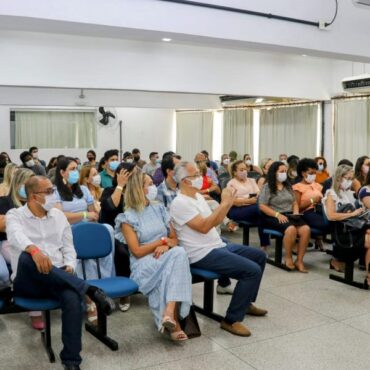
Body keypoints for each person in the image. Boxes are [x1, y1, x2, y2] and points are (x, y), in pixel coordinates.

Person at [6, 176, 115, 370]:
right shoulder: (15, 215)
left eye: (53, 190)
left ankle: (71, 362)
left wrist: (71, 266)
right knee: (27, 257)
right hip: (28, 282)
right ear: (33, 196)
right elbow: (16, 236)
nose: (53, 195)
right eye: (48, 192)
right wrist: (34, 250)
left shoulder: (58, 216)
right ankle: (89, 289)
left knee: (72, 298)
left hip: (58, 278)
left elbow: (68, 248)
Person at [170, 161, 267, 337]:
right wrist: (224, 204)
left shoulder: (197, 196)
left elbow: (215, 220)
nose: (201, 178)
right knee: (251, 271)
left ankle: (245, 303)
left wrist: (227, 204)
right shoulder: (180, 203)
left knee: (259, 256)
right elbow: (205, 226)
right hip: (201, 253)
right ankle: (231, 320)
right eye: (196, 176)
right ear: (185, 180)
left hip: (218, 244)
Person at [115, 171, 192, 341]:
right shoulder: (127, 218)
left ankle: (169, 314)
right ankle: (172, 316)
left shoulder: (159, 208)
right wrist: (161, 243)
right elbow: (137, 251)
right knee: (178, 257)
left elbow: (174, 239)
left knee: (177, 256)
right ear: (137, 189)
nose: (153, 187)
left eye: (152, 184)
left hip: (164, 258)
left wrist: (166, 244)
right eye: (149, 184)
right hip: (143, 265)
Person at [54, 157, 115, 323]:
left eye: (76, 168)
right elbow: (61, 217)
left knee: (108, 230)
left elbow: (94, 214)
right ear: (62, 172)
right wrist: (84, 216)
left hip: (86, 227)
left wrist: (88, 216)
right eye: (72, 169)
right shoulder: (55, 191)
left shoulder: (83, 189)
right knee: (78, 244)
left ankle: (103, 286)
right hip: (68, 231)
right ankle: (89, 299)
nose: (75, 172)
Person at [0, 168, 46, 329]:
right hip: (9, 242)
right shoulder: (5, 201)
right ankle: (35, 311)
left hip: (36, 240)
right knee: (27, 258)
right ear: (18, 184)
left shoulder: (37, 201)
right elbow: (4, 226)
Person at [259, 161, 310, 272]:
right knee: (291, 229)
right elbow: (262, 206)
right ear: (274, 173)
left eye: (285, 171)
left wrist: (296, 212)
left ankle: (299, 260)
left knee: (306, 229)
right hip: (273, 215)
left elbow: (294, 202)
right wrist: (277, 215)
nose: (284, 174)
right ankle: (288, 257)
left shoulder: (287, 186)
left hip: (289, 214)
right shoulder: (267, 187)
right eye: (281, 171)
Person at [100, 162, 134, 312]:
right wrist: (120, 186)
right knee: (122, 252)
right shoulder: (109, 190)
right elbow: (110, 207)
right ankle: (124, 292)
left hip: (133, 230)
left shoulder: (135, 192)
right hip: (112, 233)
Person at [323, 165, 367, 274]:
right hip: (341, 231)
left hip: (349, 227)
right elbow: (331, 216)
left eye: (351, 179)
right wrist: (352, 213)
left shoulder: (346, 194)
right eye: (347, 178)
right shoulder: (331, 193)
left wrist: (360, 212)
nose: (350, 181)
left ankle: (366, 267)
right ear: (339, 178)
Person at [226, 160, 270, 250]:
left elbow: (258, 192)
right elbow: (231, 201)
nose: (244, 172)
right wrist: (248, 201)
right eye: (241, 170)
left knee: (262, 216)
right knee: (261, 209)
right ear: (235, 172)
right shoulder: (231, 183)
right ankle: (264, 244)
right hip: (236, 209)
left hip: (252, 207)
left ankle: (263, 246)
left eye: (245, 169)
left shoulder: (251, 181)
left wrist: (257, 196)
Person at [293, 158, 328, 251]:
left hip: (321, 210)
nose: (313, 175)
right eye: (311, 173)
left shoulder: (317, 185)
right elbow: (297, 207)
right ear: (303, 173)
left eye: (314, 173)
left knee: (335, 223)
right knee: (326, 224)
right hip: (307, 212)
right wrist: (312, 200)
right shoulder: (297, 187)